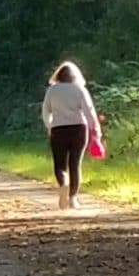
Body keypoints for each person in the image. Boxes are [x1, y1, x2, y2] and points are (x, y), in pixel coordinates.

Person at [41, 61, 101, 209]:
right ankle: (73, 198)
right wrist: (96, 131)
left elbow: (45, 111)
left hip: (58, 129)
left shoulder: (52, 91)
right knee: (75, 164)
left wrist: (49, 125)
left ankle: (63, 183)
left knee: (60, 165)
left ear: (58, 75)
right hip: (79, 129)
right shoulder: (79, 89)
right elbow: (89, 112)